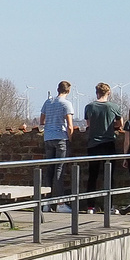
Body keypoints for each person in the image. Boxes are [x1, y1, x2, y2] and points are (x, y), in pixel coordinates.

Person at [81, 82, 123, 209]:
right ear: (108, 93)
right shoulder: (114, 107)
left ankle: (90, 206)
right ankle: (109, 205)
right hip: (108, 143)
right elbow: (120, 124)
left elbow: (88, 124)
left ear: (96, 92)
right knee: (109, 176)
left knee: (92, 176)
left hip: (93, 144)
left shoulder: (89, 107)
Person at [38, 80, 75, 209]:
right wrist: (70, 138)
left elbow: (42, 120)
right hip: (60, 138)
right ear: (68, 91)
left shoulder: (48, 102)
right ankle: (60, 203)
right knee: (59, 170)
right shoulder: (66, 104)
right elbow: (70, 125)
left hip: (48, 138)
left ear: (57, 89)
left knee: (49, 170)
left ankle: (46, 202)